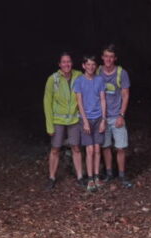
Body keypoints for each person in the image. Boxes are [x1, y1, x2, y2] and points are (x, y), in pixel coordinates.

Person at [43, 52, 85, 190]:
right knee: (55, 149)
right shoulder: (52, 79)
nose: (66, 64)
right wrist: (49, 125)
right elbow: (47, 102)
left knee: (76, 148)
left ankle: (80, 177)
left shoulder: (78, 75)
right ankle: (51, 178)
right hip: (58, 120)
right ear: (59, 64)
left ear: (72, 63)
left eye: (69, 61)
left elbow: (92, 75)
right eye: (64, 62)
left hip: (74, 119)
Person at [99, 44, 132, 187]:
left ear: (115, 58)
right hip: (103, 117)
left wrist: (121, 115)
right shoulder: (98, 71)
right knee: (105, 146)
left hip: (116, 116)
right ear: (102, 57)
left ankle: (122, 175)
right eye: (106, 56)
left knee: (120, 147)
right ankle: (109, 173)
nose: (108, 59)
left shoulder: (121, 73)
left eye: (111, 57)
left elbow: (125, 95)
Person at [73, 55, 107, 192]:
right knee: (90, 150)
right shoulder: (79, 81)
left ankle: (97, 176)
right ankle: (90, 178)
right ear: (83, 66)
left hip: (98, 117)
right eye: (88, 64)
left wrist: (104, 119)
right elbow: (79, 102)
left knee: (98, 149)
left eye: (93, 65)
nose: (91, 67)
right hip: (86, 118)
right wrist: (85, 121)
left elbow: (103, 99)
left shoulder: (99, 80)